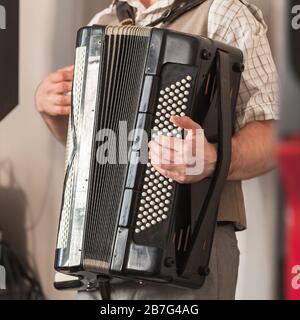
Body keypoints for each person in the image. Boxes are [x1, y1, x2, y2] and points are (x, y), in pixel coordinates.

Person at [35, 0, 279, 300]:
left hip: (184, 255)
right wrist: (52, 112)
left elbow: (274, 138)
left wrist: (213, 159)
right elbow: (94, 151)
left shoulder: (223, 12)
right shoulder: (103, 22)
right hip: (98, 265)